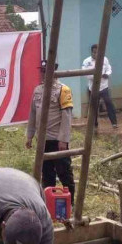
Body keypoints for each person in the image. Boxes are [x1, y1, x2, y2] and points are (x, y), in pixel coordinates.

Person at [26, 60, 75, 205]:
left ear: (54, 71)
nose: (43, 73)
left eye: (46, 70)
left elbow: (67, 117)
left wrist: (63, 140)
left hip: (57, 139)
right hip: (43, 140)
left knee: (64, 171)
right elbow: (33, 114)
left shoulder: (63, 90)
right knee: (47, 173)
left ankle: (70, 201)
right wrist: (29, 136)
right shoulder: (38, 90)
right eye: (42, 70)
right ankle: (49, 202)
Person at [82, 44, 118, 129]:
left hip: (104, 87)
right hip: (93, 87)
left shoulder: (105, 59)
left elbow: (109, 68)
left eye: (97, 52)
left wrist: (107, 74)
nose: (96, 54)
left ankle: (114, 123)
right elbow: (85, 73)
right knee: (93, 107)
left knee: (109, 104)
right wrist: (96, 76)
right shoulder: (86, 61)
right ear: (92, 52)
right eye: (94, 52)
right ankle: (94, 124)